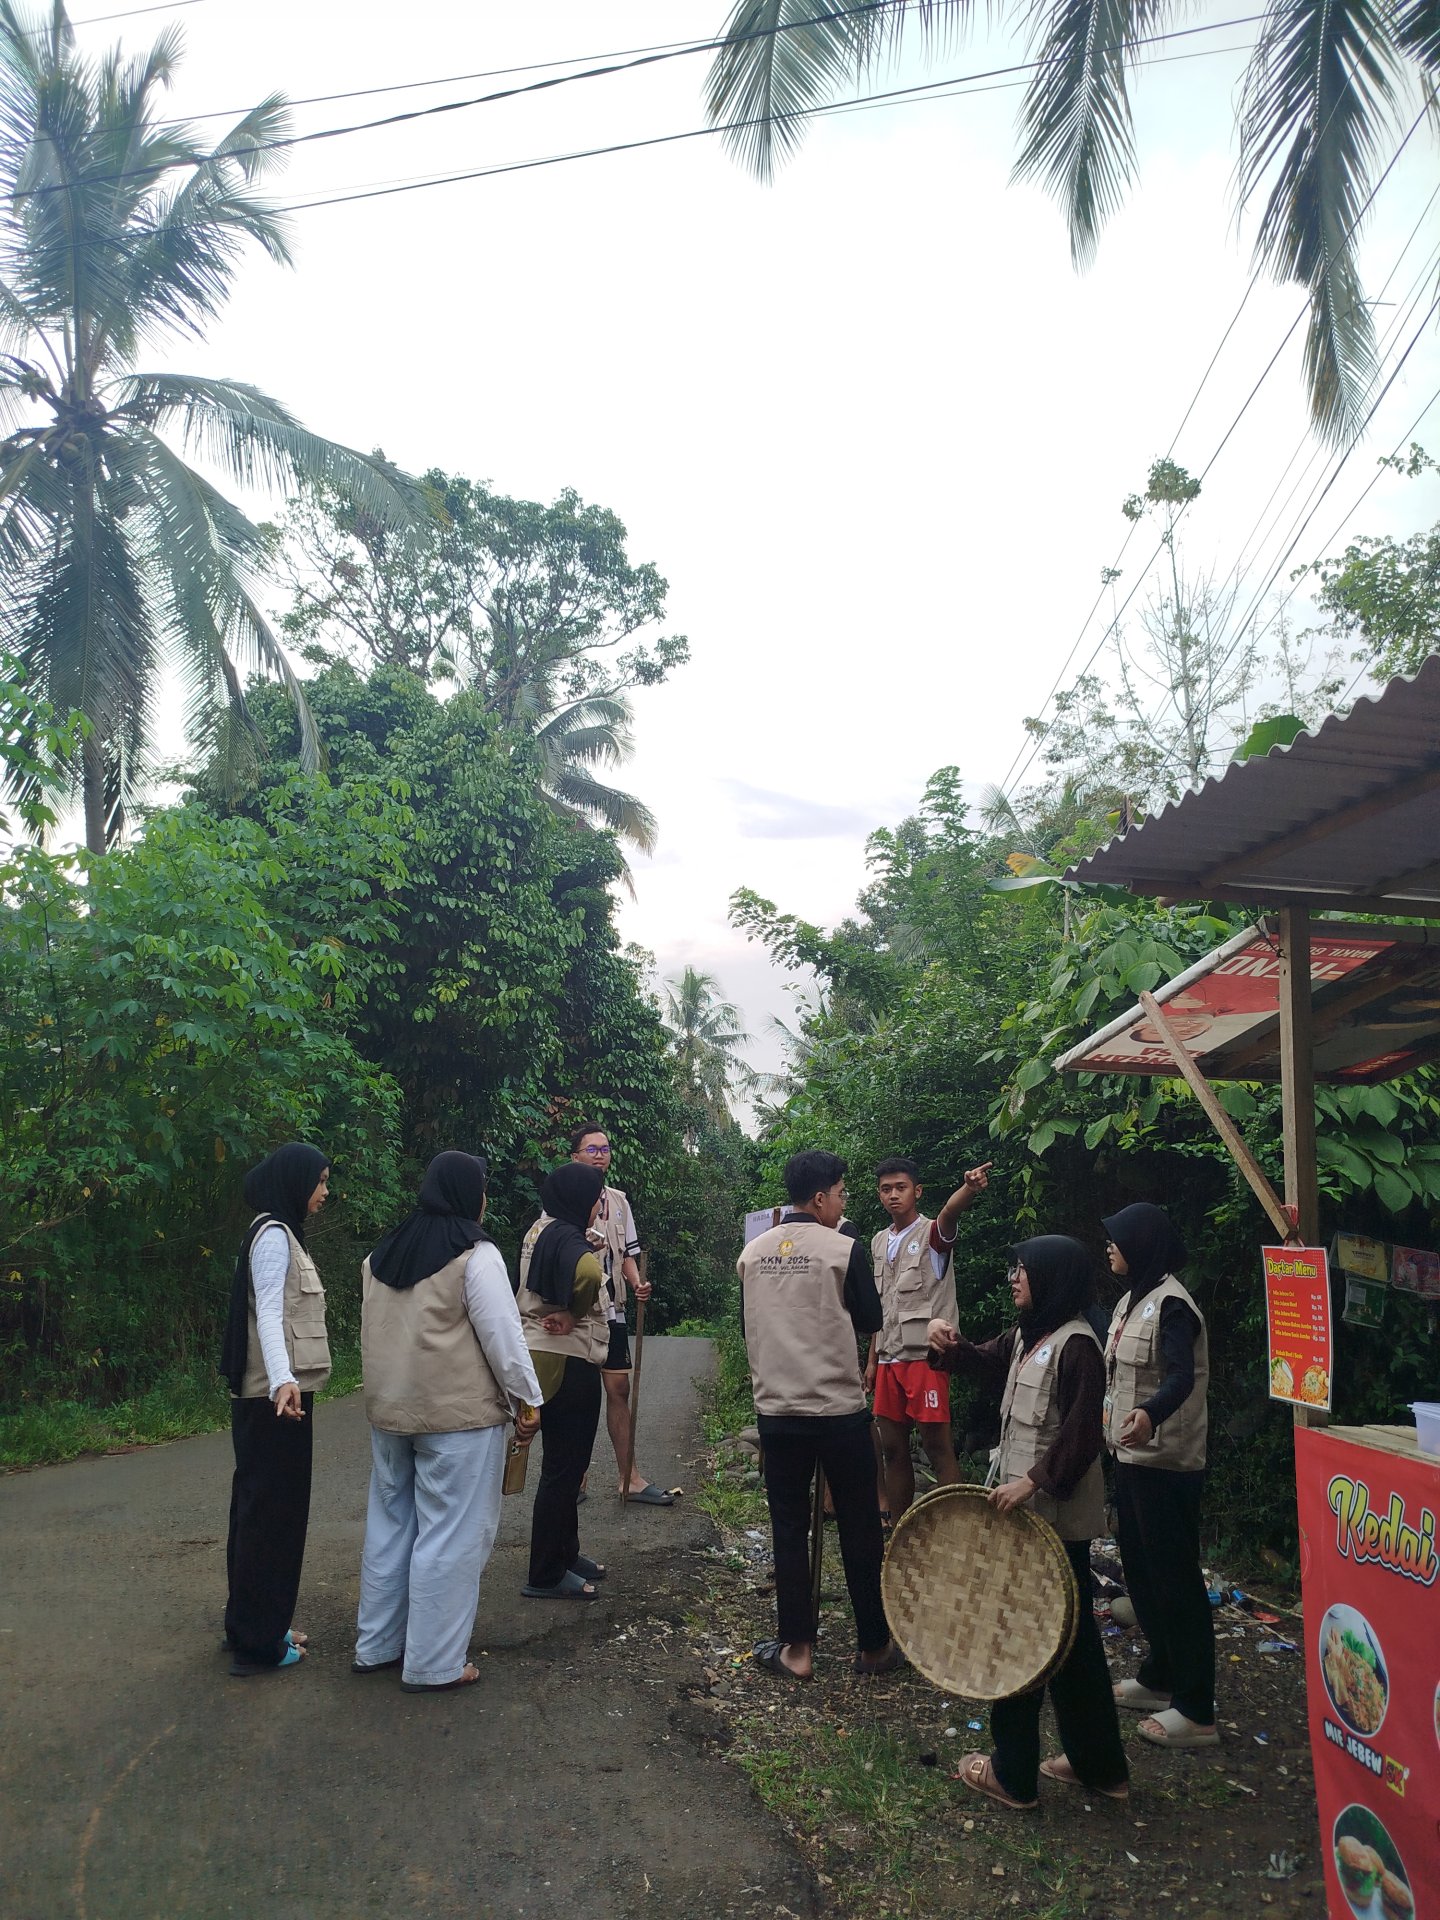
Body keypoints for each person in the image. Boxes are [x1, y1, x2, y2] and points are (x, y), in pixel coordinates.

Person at [928, 1237, 1130, 1810]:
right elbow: (987, 1359)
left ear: (1054, 1278)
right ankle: (1100, 1764)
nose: (1014, 1277)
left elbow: (1083, 1434)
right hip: (1031, 1518)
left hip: (1052, 1519)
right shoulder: (1029, 1335)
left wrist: (1032, 1481)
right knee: (1072, 1645)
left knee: (1020, 1639)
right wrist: (948, 1347)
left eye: (1024, 1269)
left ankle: (1012, 1773)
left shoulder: (1078, 1348)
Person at [354, 1152, 543, 1693]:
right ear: (468, 1194)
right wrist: (528, 1401)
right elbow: (503, 1340)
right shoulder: (475, 1255)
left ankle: (377, 1645)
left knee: (390, 1529)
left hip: (390, 1415)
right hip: (458, 1420)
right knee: (452, 1535)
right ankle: (434, 1662)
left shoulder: (380, 1255)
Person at [737, 1149, 902, 1682]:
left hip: (777, 1411)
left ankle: (798, 1651)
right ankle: (874, 1647)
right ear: (819, 1198)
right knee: (859, 1525)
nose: (844, 1201)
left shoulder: (753, 1253)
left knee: (787, 1528)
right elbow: (871, 1319)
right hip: (837, 1411)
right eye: (841, 1193)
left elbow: (751, 1325)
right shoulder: (844, 1249)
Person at [1102, 1201, 1218, 1750]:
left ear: (1143, 1245)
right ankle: (1160, 1674)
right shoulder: (1133, 1300)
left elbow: (1180, 1377)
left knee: (1175, 1581)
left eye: (1118, 1238)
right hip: (1131, 1460)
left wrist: (1150, 1414)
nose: (1110, 1246)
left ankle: (1197, 1709)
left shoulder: (1175, 1307)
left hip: (1167, 1464)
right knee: (1142, 1573)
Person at [218, 1142, 332, 1677]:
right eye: (320, 1182)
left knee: (259, 1512)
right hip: (276, 1400)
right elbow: (267, 1312)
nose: (324, 1193)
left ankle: (254, 1624)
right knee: (273, 1518)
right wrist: (284, 1380)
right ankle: (259, 1645)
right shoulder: (273, 1237)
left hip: (272, 1396)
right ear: (295, 1182)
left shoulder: (274, 1231)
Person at [865, 1156, 992, 1519]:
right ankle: (899, 1530)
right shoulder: (877, 1242)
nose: (893, 1196)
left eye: (901, 1188)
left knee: (938, 1447)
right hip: (889, 1360)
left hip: (926, 1358)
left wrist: (968, 1188)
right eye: (886, 1189)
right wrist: (872, 1361)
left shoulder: (931, 1236)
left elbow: (950, 1215)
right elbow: (880, 1308)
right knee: (892, 1450)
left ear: (916, 1191)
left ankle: (955, 1528)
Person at [517, 1162, 609, 1598]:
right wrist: (574, 1312)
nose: (597, 1207)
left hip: (540, 1354)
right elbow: (589, 1275)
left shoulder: (541, 1229)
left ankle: (566, 1552)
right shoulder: (568, 1237)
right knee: (563, 1468)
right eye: (596, 1201)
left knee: (564, 1466)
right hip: (567, 1358)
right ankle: (546, 1571)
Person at [568, 1124, 670, 1504]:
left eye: (605, 1148)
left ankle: (630, 1477)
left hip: (612, 1308)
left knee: (619, 1388)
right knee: (577, 1394)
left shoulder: (619, 1201)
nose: (599, 1154)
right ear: (574, 1155)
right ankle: (575, 1478)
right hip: (576, 1309)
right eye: (591, 1148)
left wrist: (637, 1283)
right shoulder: (561, 1197)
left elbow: (628, 1254)